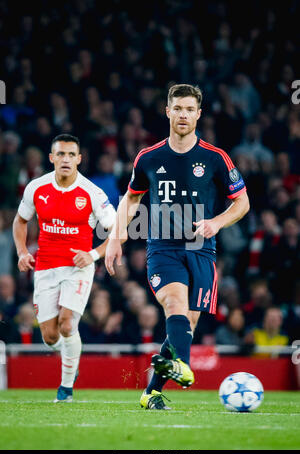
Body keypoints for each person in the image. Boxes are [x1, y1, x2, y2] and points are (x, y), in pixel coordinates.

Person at [78, 84, 250, 410]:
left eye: (189, 109)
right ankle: (182, 365)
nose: (183, 114)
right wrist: (114, 238)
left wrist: (216, 223)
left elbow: (241, 203)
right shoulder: (149, 157)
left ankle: (151, 391)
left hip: (202, 248)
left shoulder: (215, 158)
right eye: (178, 108)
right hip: (163, 248)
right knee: (174, 304)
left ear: (198, 114)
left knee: (190, 322)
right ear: (167, 111)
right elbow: (132, 198)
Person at [12, 133, 116, 402]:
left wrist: (93, 254)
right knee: (49, 336)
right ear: (52, 158)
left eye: (71, 154)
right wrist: (23, 252)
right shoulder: (36, 187)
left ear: (79, 159)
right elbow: (20, 221)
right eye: (61, 154)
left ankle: (66, 389)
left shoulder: (93, 193)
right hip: (45, 268)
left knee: (68, 325)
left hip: (77, 269)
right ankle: (72, 355)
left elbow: (118, 232)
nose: (66, 159)